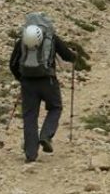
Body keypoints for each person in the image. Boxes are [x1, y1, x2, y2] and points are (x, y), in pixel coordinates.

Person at [8, 13, 76, 163]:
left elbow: (12, 64)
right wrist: (74, 56)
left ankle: (30, 154)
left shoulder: (22, 41)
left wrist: (22, 79)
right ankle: (46, 135)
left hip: (27, 83)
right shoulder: (50, 38)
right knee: (55, 107)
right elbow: (68, 56)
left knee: (30, 116)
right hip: (48, 81)